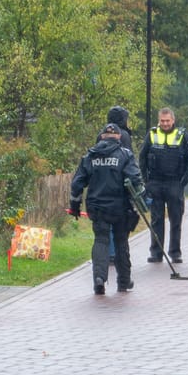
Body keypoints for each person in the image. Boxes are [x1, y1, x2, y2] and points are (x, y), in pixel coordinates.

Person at [70, 122, 145, 295]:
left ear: (102, 136)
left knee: (101, 240)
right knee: (121, 242)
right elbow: (135, 179)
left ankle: (99, 278)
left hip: (97, 207)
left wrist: (75, 205)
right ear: (119, 137)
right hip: (120, 207)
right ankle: (124, 281)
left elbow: (77, 183)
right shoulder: (125, 155)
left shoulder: (90, 156)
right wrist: (139, 202)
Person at [139, 106, 188, 264]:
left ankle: (175, 253)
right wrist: (146, 181)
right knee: (156, 220)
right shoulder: (152, 134)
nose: (165, 124)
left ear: (173, 120)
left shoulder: (182, 135)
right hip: (155, 183)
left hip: (174, 183)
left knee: (175, 220)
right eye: (162, 121)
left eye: (167, 121)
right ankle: (156, 253)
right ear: (159, 120)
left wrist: (182, 183)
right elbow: (142, 158)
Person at [97, 104, 133, 262]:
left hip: (102, 183)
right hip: (119, 183)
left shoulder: (102, 134)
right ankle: (117, 253)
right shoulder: (124, 135)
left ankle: (106, 252)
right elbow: (128, 159)